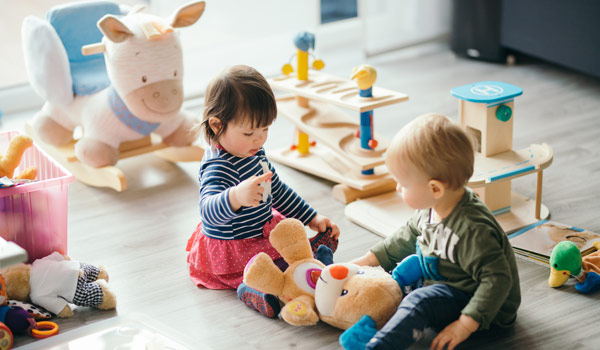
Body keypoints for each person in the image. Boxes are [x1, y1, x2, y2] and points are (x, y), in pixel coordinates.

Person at [341, 113, 521, 350]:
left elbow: (497, 280)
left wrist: (465, 324)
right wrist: (363, 263)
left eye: (403, 185)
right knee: (402, 274)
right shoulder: (432, 207)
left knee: (418, 301)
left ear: (435, 188)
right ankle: (375, 319)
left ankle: (379, 346)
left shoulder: (472, 230)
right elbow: (406, 236)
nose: (397, 188)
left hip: (484, 311)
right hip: (446, 282)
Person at [186, 65, 340, 318]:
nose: (259, 140)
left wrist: (311, 217)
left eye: (265, 129)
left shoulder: (253, 151)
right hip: (234, 246)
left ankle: (310, 260)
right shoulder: (218, 166)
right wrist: (235, 197)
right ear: (216, 125)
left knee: (289, 243)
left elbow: (277, 190)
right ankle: (255, 291)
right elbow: (207, 212)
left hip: (261, 230)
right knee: (263, 270)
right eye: (249, 132)